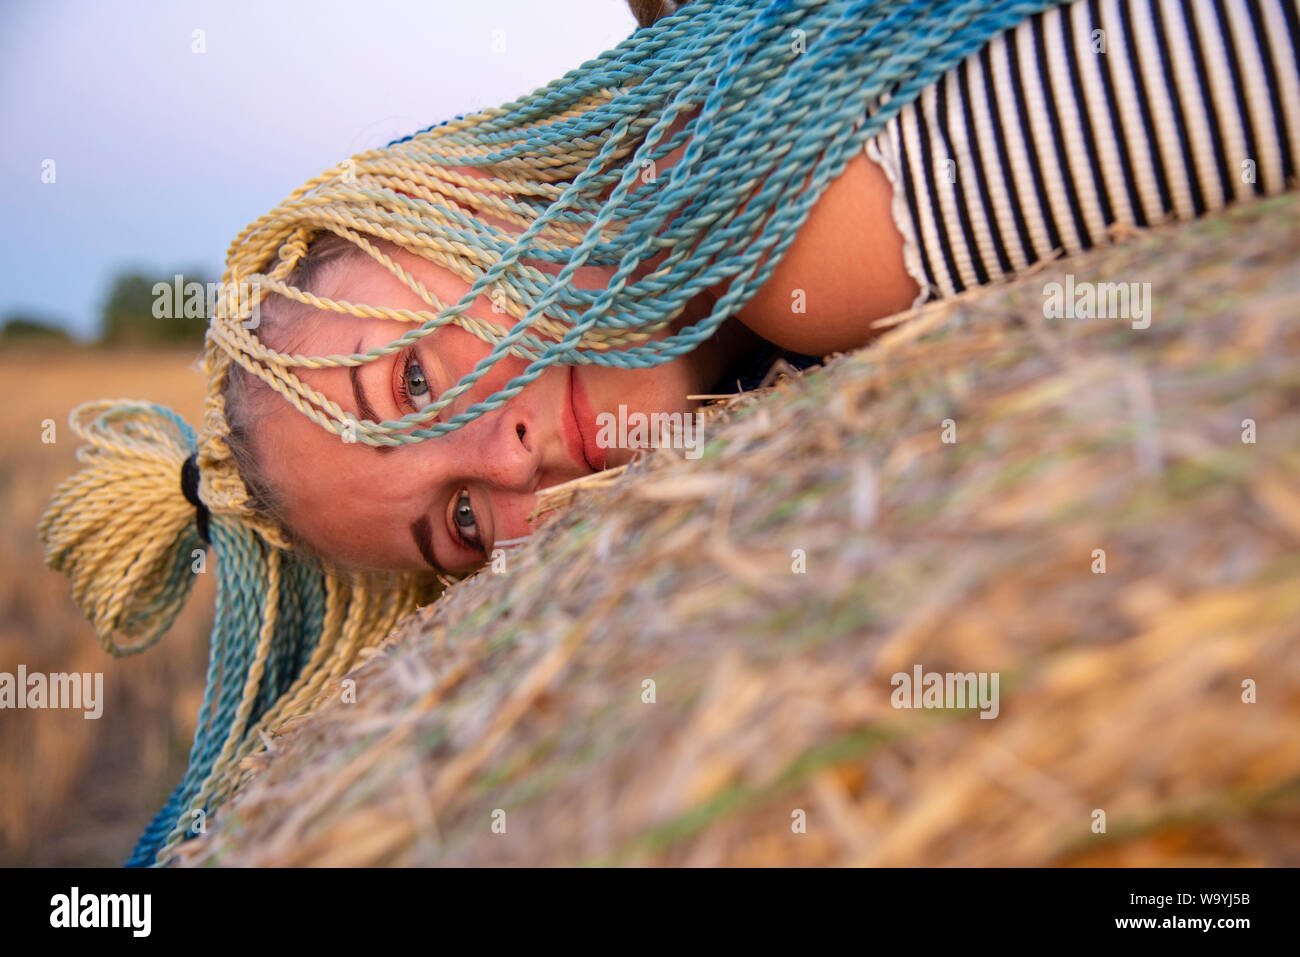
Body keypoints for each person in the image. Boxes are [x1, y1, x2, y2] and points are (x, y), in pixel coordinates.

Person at [38, 0, 1299, 865]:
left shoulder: (816, 252)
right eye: (460, 525)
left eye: (414, 383)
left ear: (459, 195)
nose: (503, 458)